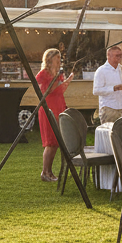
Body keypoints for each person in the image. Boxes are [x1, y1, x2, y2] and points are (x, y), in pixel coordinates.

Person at [35, 48, 73, 182]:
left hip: (58, 107)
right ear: (50, 59)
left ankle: (49, 172)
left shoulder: (58, 74)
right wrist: (57, 79)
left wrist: (68, 80)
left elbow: (60, 90)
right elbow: (49, 89)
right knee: (50, 142)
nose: (59, 61)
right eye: (57, 58)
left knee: (56, 142)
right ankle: (45, 172)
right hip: (48, 109)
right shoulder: (44, 74)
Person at [93, 44, 122, 124]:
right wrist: (114, 88)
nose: (120, 57)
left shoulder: (121, 69)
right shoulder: (101, 71)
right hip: (108, 107)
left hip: (121, 107)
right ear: (108, 56)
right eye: (117, 55)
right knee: (109, 131)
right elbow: (96, 91)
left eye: (121, 55)